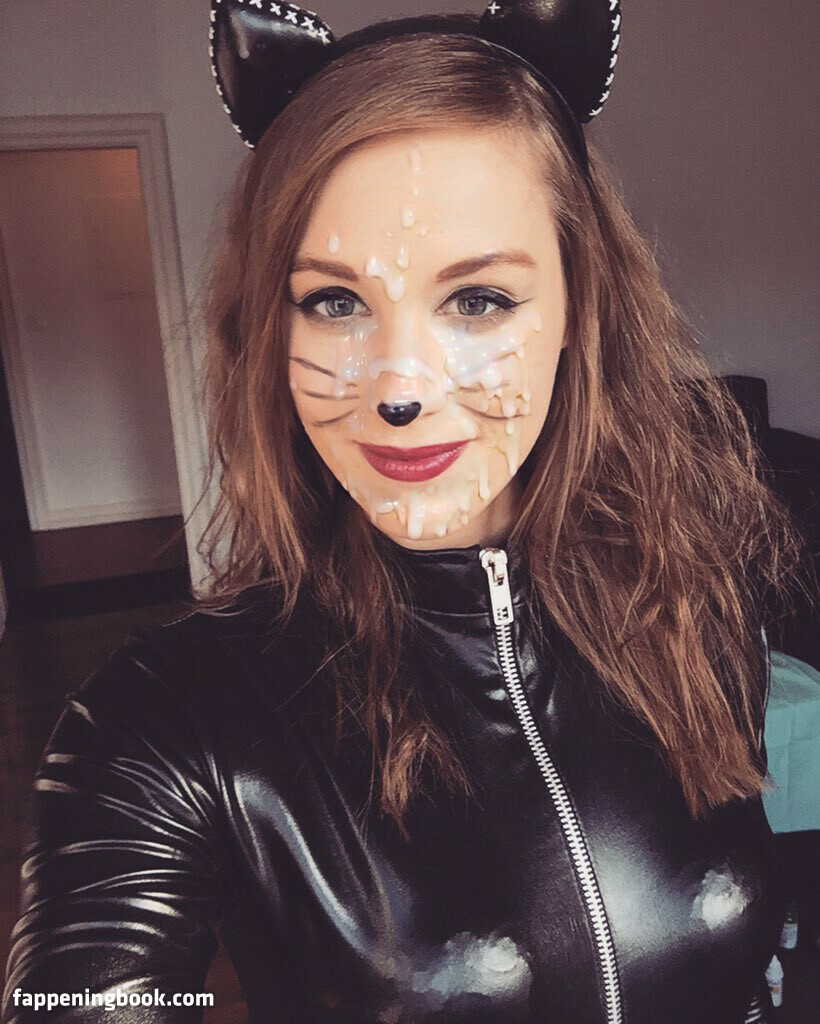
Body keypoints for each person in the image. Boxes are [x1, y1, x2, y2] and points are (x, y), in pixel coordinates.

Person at [2, 2, 802, 1022]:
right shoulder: (163, 720)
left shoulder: (689, 610)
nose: (398, 389)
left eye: (477, 300)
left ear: (577, 308)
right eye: (334, 303)